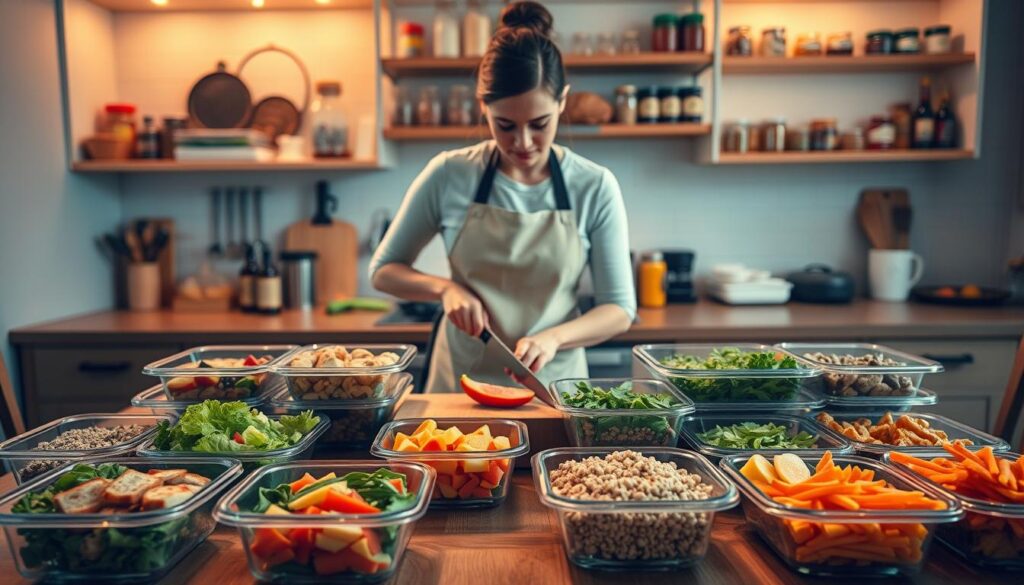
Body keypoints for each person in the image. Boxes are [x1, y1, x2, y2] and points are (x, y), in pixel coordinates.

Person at [370, 1, 635, 392]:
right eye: (505, 125)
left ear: (562, 101)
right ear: (484, 107)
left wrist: (554, 337)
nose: (523, 142)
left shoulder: (594, 185)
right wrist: (446, 289)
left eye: (540, 124)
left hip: (553, 386)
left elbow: (619, 310)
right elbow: (384, 270)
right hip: (459, 386)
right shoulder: (449, 174)